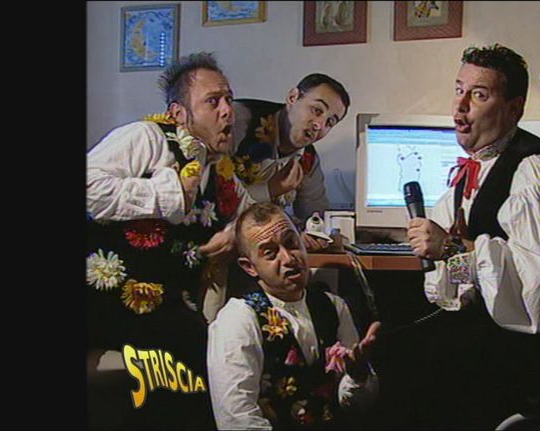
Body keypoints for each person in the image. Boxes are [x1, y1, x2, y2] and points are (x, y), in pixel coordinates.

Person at [404, 43, 540, 429]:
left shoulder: (536, 173)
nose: (459, 107)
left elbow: (538, 295)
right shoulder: (472, 170)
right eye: (458, 90)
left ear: (514, 108)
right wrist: (449, 258)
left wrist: (451, 247)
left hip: (522, 353)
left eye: (479, 95)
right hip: (482, 337)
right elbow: (464, 281)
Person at [86, 51, 241, 429]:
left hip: (169, 302)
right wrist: (167, 195)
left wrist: (231, 233)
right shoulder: (146, 137)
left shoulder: (219, 167)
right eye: (213, 101)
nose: (227, 111)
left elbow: (249, 212)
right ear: (178, 114)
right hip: (106, 299)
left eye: (229, 99)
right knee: (193, 354)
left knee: (226, 342)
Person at [208, 203, 380, 430]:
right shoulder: (237, 320)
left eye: (291, 243)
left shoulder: (333, 306)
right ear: (250, 267)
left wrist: (358, 376)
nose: (289, 258)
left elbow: (358, 405)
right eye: (270, 253)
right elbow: (236, 419)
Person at [230, 73, 351, 252]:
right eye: (316, 110)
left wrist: (320, 236)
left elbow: (315, 218)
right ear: (293, 97)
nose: (319, 125)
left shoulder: (307, 160)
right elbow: (217, 202)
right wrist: (271, 189)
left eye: (330, 122)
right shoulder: (238, 122)